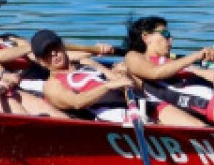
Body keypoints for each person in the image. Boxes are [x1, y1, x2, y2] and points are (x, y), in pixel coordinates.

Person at [0, 0, 115, 94]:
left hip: (44, 71)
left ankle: (118, 83)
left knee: (87, 62)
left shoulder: (9, 38)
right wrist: (34, 46)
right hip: (24, 83)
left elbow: (51, 55)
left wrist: (92, 51)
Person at [30, 29, 203, 126]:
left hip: (137, 101)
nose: (54, 55)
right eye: (46, 54)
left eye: (55, 48)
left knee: (198, 128)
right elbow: (77, 102)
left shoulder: (86, 63)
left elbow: (121, 81)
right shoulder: (52, 85)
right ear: (40, 61)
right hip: (113, 115)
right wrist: (108, 86)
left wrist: (122, 74)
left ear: (62, 46)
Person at [122, 15, 214, 129]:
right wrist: (196, 56)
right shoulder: (133, 56)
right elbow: (154, 73)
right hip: (200, 102)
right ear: (146, 37)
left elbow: (204, 74)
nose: (171, 39)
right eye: (165, 34)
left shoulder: (174, 62)